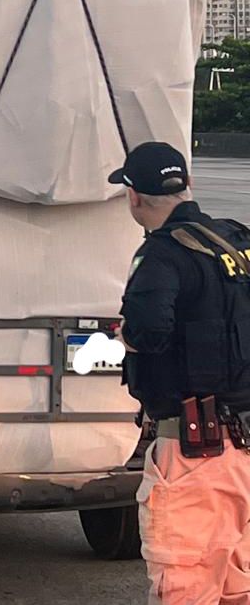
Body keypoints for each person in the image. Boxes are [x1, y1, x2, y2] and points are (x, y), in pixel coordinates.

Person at [111, 142, 250, 603]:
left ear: (134, 196)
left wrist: (126, 336)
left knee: (185, 588)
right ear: (187, 185)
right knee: (239, 587)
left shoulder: (163, 256)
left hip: (198, 454)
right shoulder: (237, 241)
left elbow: (149, 332)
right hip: (246, 453)